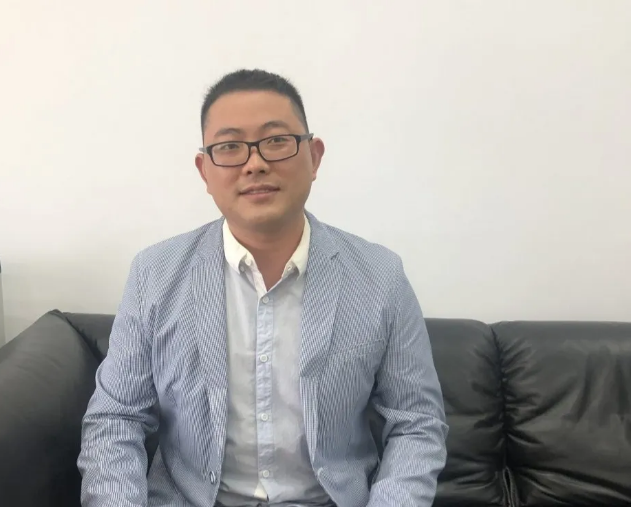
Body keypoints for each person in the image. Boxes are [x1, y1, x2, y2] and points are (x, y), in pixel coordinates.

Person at [78, 69, 448, 507]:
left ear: (314, 157)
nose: (255, 163)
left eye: (276, 141)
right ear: (204, 170)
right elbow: (115, 420)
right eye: (230, 147)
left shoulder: (380, 277)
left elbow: (416, 423)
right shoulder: (155, 275)